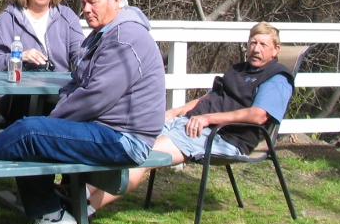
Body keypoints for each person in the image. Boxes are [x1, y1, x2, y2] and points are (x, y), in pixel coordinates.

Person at [0, 0, 165, 224]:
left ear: (117, 1)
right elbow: (78, 81)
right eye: (84, 3)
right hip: (105, 129)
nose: (85, 9)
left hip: (125, 138)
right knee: (32, 132)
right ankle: (51, 214)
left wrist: (53, 120)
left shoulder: (125, 38)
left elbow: (95, 97)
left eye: (93, 2)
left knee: (30, 132)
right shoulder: (106, 34)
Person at [109, 21, 294, 208]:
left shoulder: (277, 78)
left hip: (223, 137)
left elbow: (258, 115)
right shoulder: (237, 70)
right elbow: (210, 98)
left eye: (263, 45)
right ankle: (82, 200)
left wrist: (208, 119)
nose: (256, 49)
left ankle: (88, 206)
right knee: (129, 137)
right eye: (253, 43)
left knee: (142, 153)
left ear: (275, 50)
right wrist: (176, 111)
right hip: (190, 124)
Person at [0, 0, 84, 122]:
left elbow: (81, 55)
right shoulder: (8, 20)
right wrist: (18, 57)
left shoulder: (67, 17)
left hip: (58, 94)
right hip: (18, 97)